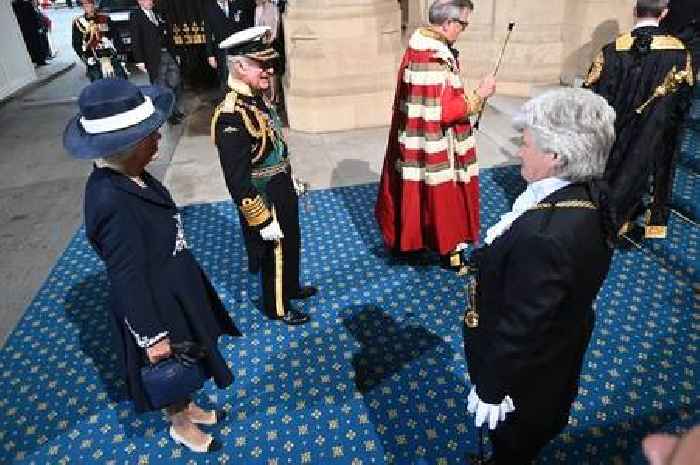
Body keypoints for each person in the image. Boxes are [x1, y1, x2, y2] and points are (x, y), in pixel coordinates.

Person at [63, 79, 241, 453]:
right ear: (124, 147)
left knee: (192, 354)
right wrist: (152, 337)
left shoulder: (130, 175)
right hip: (155, 305)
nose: (159, 139)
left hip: (174, 288)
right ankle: (179, 424)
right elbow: (125, 277)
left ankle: (187, 406)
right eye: (150, 136)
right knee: (171, 365)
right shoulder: (110, 199)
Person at [463, 88, 616, 465]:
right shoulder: (584, 195)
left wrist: (492, 388)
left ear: (555, 157)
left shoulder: (544, 236)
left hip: (526, 375)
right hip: (559, 346)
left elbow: (522, 325)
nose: (519, 151)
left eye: (526, 143)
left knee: (512, 444)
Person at [374, 0, 496, 271]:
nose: (463, 29)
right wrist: (479, 95)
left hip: (416, 136)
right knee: (444, 196)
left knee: (415, 191)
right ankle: (448, 250)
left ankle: (411, 244)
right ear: (447, 23)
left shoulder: (419, 48)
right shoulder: (432, 57)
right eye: (463, 24)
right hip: (434, 140)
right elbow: (443, 113)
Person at [212, 26, 315, 325]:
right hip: (261, 195)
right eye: (262, 64)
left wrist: (287, 177)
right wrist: (260, 218)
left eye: (270, 63)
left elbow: (274, 143)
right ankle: (278, 307)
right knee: (275, 251)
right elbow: (237, 179)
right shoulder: (230, 114)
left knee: (292, 239)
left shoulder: (257, 98)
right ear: (240, 66)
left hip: (279, 184)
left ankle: (291, 287)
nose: (269, 70)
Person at [584, 0, 694, 240]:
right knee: (641, 168)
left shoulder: (610, 51)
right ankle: (627, 218)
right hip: (652, 132)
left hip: (614, 132)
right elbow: (682, 104)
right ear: (664, 13)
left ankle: (596, 212)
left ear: (634, 11)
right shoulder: (680, 54)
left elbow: (591, 98)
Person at [130, 0, 185, 124]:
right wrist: (139, 60)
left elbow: (168, 35)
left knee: (175, 82)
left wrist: (175, 53)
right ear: (140, 2)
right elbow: (135, 39)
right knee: (162, 87)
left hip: (167, 53)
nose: (150, 2)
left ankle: (174, 110)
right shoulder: (136, 15)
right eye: (147, 0)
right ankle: (170, 114)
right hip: (153, 58)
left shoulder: (156, 13)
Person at [203, 0, 255, 91]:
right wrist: (210, 54)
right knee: (225, 77)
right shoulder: (209, 9)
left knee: (240, 76)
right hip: (222, 50)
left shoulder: (235, 4)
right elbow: (208, 34)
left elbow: (245, 26)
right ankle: (227, 99)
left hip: (238, 49)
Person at [72, 0, 127, 81]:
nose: (89, 7)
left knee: (121, 78)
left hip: (109, 53)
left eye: (90, 4)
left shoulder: (105, 19)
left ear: (94, 5)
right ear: (82, 7)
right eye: (85, 5)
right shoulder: (78, 23)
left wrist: (120, 52)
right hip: (91, 55)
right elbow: (76, 43)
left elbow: (116, 37)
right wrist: (84, 57)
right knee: (97, 81)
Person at [12, 0, 51, 66]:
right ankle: (40, 61)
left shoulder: (13, 5)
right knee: (37, 45)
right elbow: (34, 17)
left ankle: (34, 60)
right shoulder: (27, 4)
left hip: (23, 29)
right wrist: (39, 27)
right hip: (32, 29)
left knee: (29, 46)